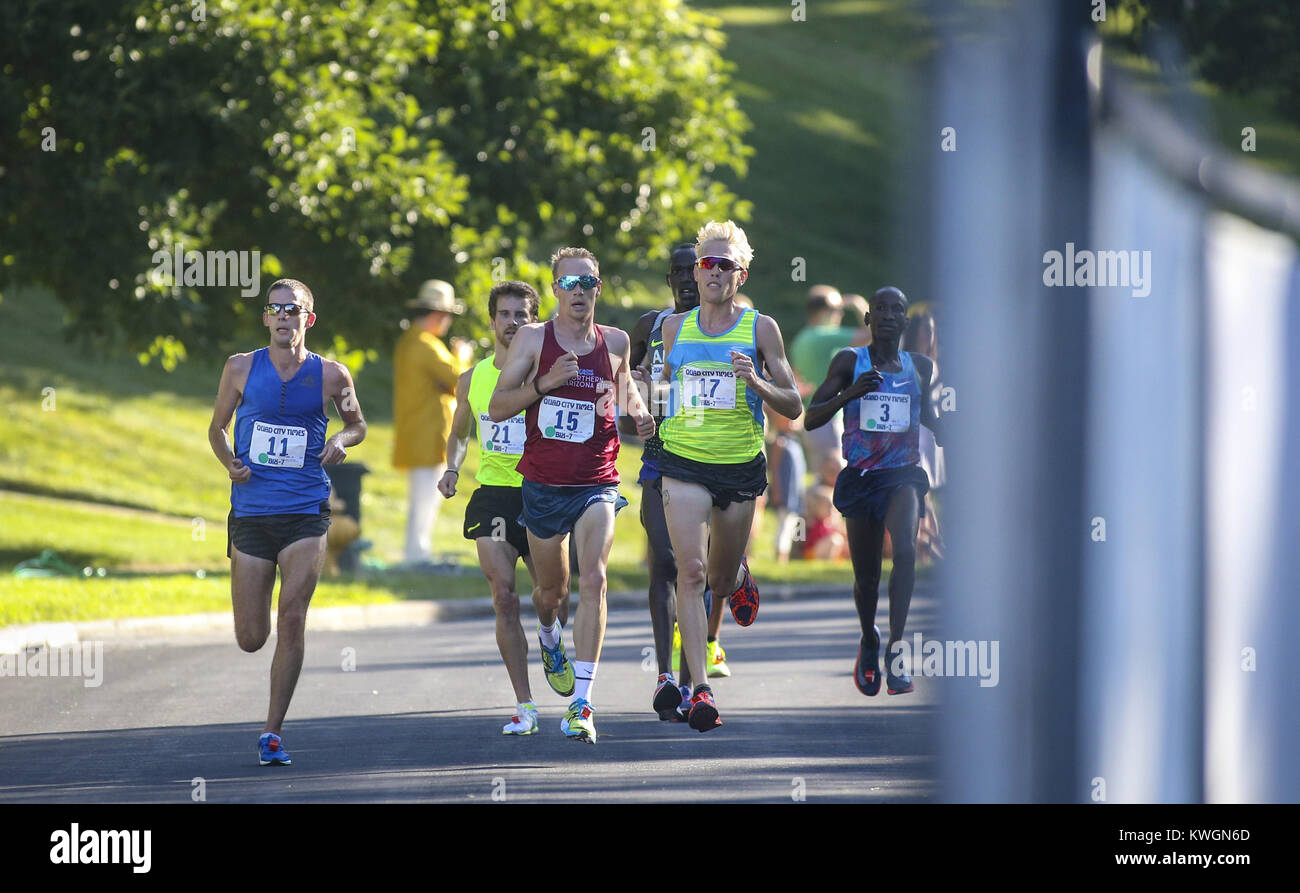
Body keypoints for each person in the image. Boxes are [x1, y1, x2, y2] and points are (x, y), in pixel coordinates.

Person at [490, 248, 655, 743]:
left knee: (596, 577)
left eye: (588, 281)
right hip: (543, 485)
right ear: (556, 290)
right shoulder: (534, 339)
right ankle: (548, 635)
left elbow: (625, 389)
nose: (579, 290)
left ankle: (582, 703)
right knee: (551, 594)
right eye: (569, 283)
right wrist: (545, 383)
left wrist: (641, 412)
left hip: (598, 481)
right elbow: (498, 407)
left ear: (598, 289)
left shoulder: (618, 341)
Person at [208, 278, 367, 766]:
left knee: (293, 615)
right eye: (275, 309)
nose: (283, 317)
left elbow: (357, 423)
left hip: (305, 509)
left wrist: (342, 440)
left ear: (308, 319)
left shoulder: (332, 376)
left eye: (292, 310)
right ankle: (269, 710)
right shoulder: (239, 368)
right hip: (252, 512)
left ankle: (272, 732)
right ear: (265, 318)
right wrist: (229, 460)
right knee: (252, 637)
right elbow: (215, 429)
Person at [657, 220, 803, 732]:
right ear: (695, 272)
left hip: (739, 467)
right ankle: (700, 688)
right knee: (690, 573)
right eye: (706, 263)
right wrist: (638, 398)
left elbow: (795, 404)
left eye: (725, 265)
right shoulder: (673, 329)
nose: (713, 272)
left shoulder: (760, 328)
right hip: (683, 462)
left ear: (740, 275)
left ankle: (738, 575)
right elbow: (659, 394)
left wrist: (757, 381)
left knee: (718, 579)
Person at [438, 281, 568, 735]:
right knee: (504, 598)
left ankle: (551, 636)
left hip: (542, 492)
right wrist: (452, 468)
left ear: (534, 322)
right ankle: (525, 704)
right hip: (493, 493)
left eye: (522, 315)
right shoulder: (472, 379)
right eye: (505, 314)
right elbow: (459, 432)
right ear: (492, 321)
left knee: (554, 598)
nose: (513, 323)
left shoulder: (550, 373)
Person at [805, 286, 943, 697]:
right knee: (866, 579)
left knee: (903, 550)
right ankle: (870, 639)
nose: (886, 315)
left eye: (895, 310)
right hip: (862, 476)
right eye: (879, 309)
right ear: (867, 320)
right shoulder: (849, 361)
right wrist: (851, 392)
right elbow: (811, 417)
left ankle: (897, 650)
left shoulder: (920, 367)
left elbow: (930, 418)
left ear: (904, 321)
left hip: (902, 475)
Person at [620, 242, 718, 717]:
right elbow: (626, 399)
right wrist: (639, 398)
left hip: (713, 461)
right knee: (663, 561)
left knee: (697, 570)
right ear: (668, 278)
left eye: (694, 270)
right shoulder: (648, 327)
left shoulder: (730, 327)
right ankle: (666, 678)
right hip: (661, 461)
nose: (686, 279)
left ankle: (690, 678)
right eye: (678, 271)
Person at [392, 279, 469, 566]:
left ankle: (416, 553)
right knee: (425, 501)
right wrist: (462, 355)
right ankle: (417, 556)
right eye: (447, 316)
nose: (448, 322)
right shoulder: (428, 346)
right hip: (428, 435)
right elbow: (461, 380)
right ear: (438, 315)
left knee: (422, 500)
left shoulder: (410, 341)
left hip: (418, 434)